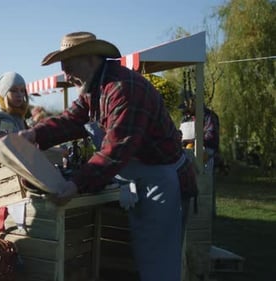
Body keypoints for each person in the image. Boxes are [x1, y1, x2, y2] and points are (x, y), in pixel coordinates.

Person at [18, 31, 197, 281]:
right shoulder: (95, 87)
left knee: (160, 264)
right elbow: (71, 120)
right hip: (138, 180)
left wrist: (75, 184)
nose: (66, 75)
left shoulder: (123, 89)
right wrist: (34, 134)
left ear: (92, 59)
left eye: (69, 66)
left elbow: (116, 149)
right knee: (144, 258)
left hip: (160, 181)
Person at [0, 72, 29, 137]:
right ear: (4, 93)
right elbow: (13, 140)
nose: (19, 95)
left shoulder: (17, 113)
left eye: (22, 90)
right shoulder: (1, 117)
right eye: (14, 90)